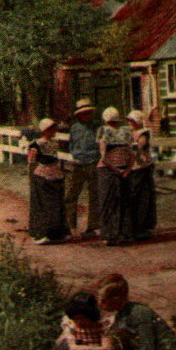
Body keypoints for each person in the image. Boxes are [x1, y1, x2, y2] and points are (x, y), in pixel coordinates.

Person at [90, 273, 174, 350]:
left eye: (104, 301)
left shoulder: (139, 314)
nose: (100, 305)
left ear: (117, 298)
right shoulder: (121, 315)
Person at [96, 107, 135, 246]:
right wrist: (119, 170)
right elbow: (104, 157)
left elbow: (131, 153)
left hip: (121, 170)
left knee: (122, 202)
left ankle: (121, 233)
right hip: (109, 171)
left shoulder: (124, 132)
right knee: (111, 202)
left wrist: (128, 169)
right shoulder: (105, 132)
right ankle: (110, 234)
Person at [28, 118, 68, 245]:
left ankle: (56, 234)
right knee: (43, 206)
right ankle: (40, 234)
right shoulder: (36, 144)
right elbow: (31, 162)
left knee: (56, 205)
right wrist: (34, 178)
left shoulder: (54, 142)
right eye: (51, 129)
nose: (54, 131)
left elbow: (56, 158)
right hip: (42, 177)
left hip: (55, 176)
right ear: (45, 130)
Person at [64, 99, 101, 239]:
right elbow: (72, 145)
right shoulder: (74, 128)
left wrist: (94, 156)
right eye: (84, 113)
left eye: (89, 113)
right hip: (78, 164)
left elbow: (100, 146)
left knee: (94, 195)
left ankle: (93, 225)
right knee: (71, 195)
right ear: (79, 115)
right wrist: (76, 155)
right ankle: (71, 227)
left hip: (93, 163)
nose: (86, 115)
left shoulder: (97, 128)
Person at [127, 110, 157, 241]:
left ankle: (141, 226)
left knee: (141, 197)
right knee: (134, 196)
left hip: (141, 167)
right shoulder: (130, 133)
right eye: (130, 121)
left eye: (133, 121)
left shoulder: (143, 134)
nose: (130, 123)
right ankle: (135, 226)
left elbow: (139, 147)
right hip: (133, 167)